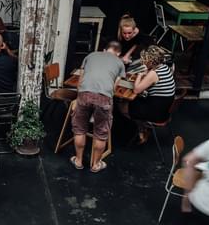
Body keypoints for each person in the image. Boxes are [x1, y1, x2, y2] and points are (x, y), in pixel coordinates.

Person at [71, 41, 125, 172]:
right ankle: (95, 164)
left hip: (85, 93)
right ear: (118, 53)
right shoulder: (119, 63)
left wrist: (79, 96)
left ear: (104, 50)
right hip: (104, 97)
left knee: (79, 128)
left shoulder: (91, 55)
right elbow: (114, 87)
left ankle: (78, 161)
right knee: (101, 132)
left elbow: (81, 78)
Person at [119, 45, 176, 144]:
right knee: (135, 100)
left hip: (155, 113)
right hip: (164, 109)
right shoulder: (165, 67)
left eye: (144, 59)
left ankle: (141, 128)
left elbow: (136, 90)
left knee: (121, 105)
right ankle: (142, 128)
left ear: (150, 61)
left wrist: (140, 75)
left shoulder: (154, 73)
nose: (142, 62)